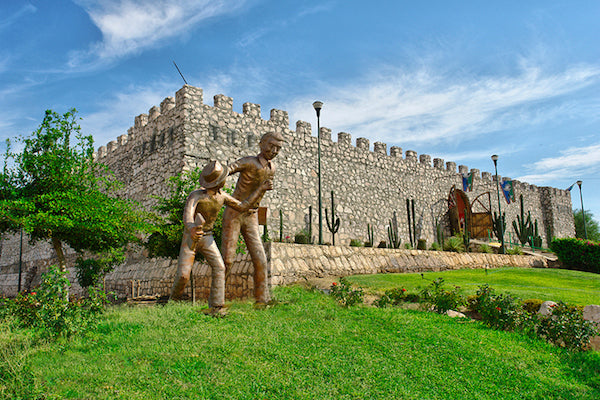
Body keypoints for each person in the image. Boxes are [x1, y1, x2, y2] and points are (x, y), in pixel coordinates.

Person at [170, 160, 272, 315]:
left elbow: (243, 206)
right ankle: (172, 303)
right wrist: (191, 229)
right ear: (219, 181)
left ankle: (216, 306)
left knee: (220, 267)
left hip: (208, 237)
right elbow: (188, 216)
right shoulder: (195, 196)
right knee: (183, 276)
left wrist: (260, 190)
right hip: (190, 239)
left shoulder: (223, 197)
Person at [221, 131, 284, 306]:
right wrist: (216, 189)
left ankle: (262, 300)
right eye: (271, 146)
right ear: (261, 144)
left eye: (278, 148)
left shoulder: (272, 168)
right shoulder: (249, 162)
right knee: (227, 260)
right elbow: (228, 170)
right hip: (234, 213)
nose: (274, 150)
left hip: (251, 215)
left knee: (261, 259)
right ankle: (216, 301)